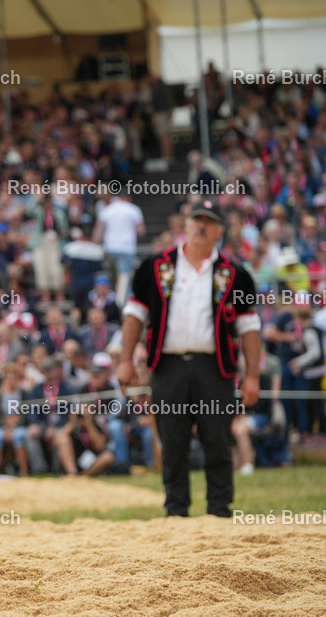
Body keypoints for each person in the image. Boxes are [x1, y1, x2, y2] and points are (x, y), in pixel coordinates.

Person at [117, 199, 260, 517]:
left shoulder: (236, 274)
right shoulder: (155, 267)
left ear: (220, 230)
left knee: (218, 440)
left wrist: (252, 376)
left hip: (216, 367)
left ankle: (219, 510)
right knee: (172, 440)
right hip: (167, 366)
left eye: (209, 222)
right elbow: (134, 314)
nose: (202, 226)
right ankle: (176, 510)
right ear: (186, 224)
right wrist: (125, 360)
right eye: (197, 219)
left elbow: (249, 327)